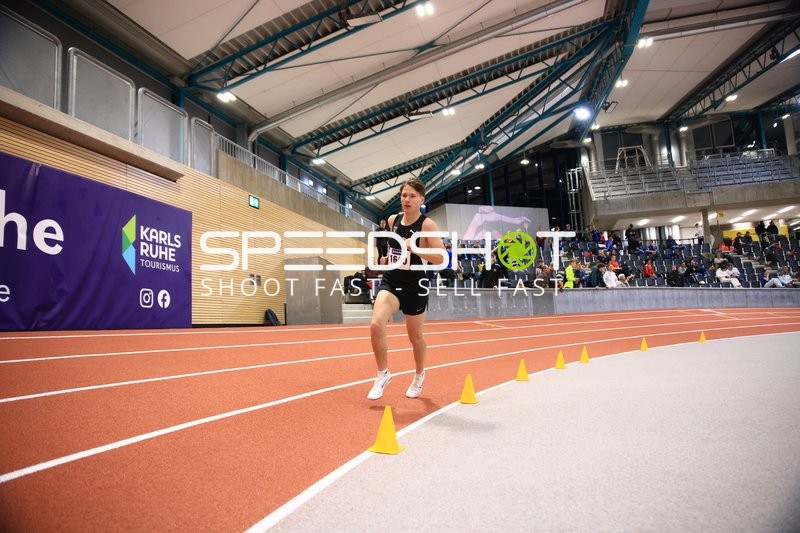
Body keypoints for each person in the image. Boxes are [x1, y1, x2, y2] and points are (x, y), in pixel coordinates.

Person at [367, 178, 446, 400]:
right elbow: (394, 249)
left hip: (416, 286)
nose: (407, 200)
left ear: (421, 199)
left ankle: (419, 375)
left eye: (412, 196)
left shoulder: (427, 225)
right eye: (404, 195)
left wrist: (417, 249)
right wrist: (386, 258)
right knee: (376, 324)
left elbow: (442, 257)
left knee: (415, 337)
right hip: (392, 281)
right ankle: (382, 374)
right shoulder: (393, 220)